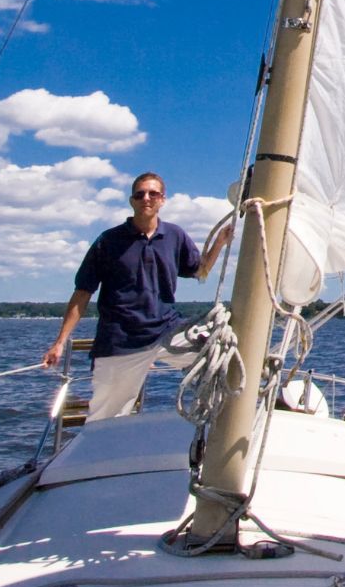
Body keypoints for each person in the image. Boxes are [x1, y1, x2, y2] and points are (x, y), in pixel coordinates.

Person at [43, 172, 231, 419]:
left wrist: (219, 242)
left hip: (166, 330)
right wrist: (60, 342)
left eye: (153, 193)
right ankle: (98, 453)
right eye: (140, 194)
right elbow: (83, 293)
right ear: (132, 201)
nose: (146, 198)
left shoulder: (175, 236)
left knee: (221, 356)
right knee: (105, 418)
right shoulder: (108, 241)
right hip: (120, 339)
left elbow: (200, 270)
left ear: (162, 199)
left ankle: (214, 433)